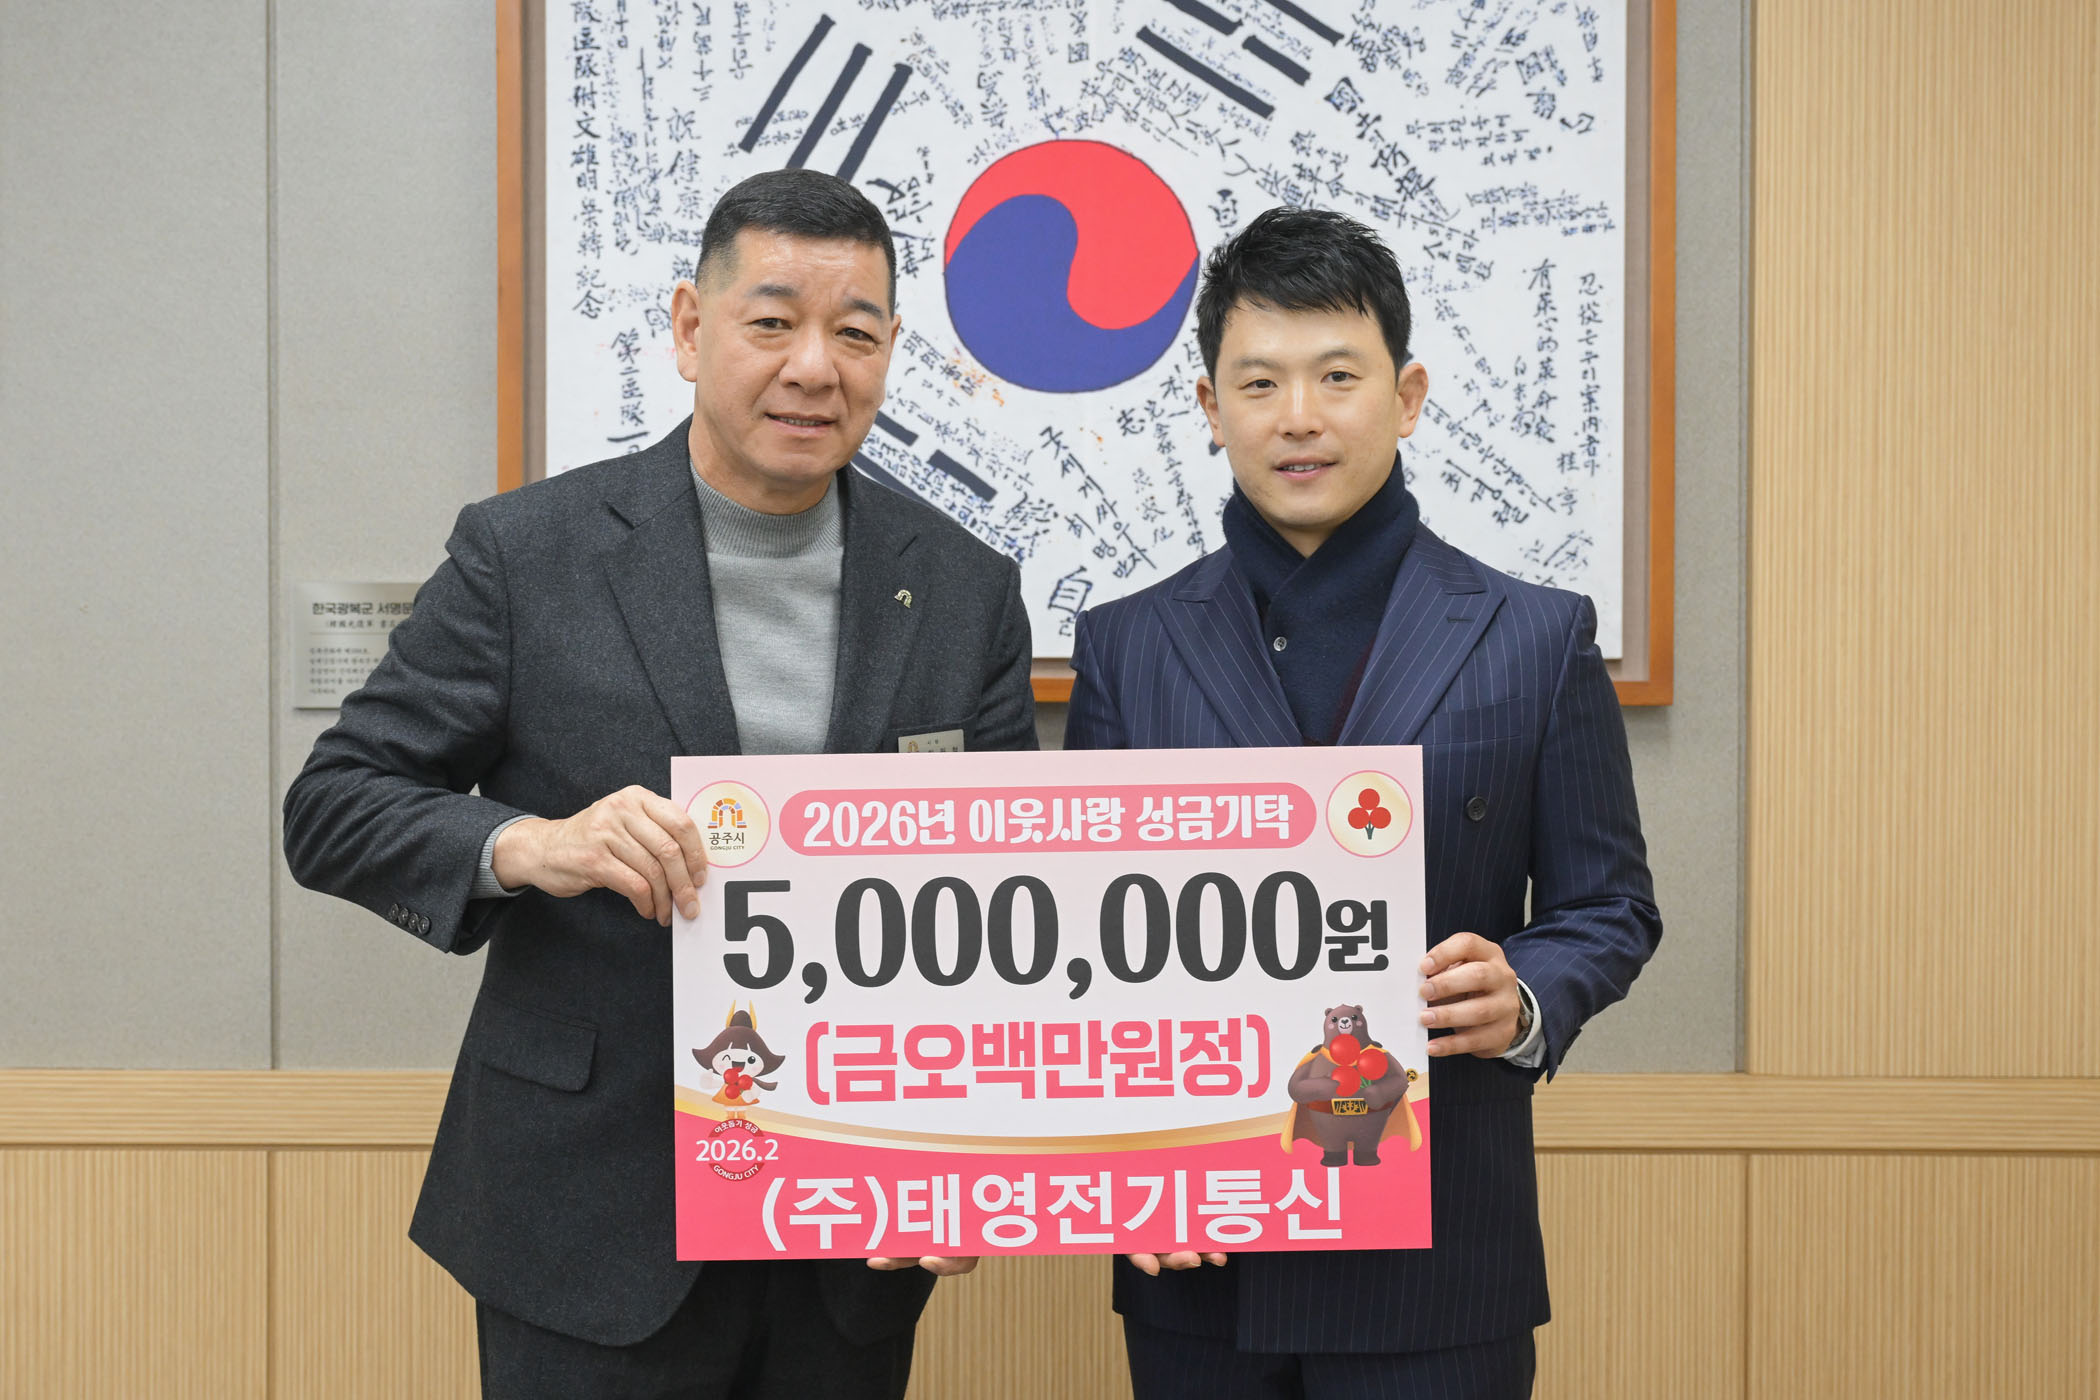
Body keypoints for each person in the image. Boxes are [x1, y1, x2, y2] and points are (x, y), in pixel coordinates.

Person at [283, 168, 1033, 1400]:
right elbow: (334, 804)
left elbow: (1004, 901)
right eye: (772, 321)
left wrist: (968, 1159)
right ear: (691, 327)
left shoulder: (963, 587)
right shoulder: (528, 553)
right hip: (588, 1210)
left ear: (890, 350)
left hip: (855, 1224)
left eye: (855, 334)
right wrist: (530, 844)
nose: (814, 367)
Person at [1065, 206, 1661, 1399]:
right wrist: (1125, 1163)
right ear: (1210, 406)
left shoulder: (1535, 635)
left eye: (1338, 375)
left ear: (1408, 394)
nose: (1299, 415)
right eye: (1260, 382)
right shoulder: (1129, 644)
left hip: (1440, 1260)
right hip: (1200, 1245)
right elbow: (1085, 939)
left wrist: (1525, 992)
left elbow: (1610, 905)